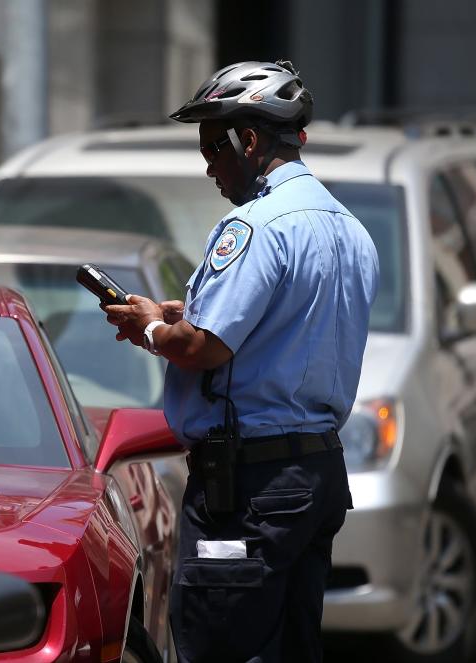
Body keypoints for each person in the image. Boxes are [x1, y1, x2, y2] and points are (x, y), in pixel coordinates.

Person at [103, 60, 379, 662]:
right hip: (315, 478)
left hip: (250, 488)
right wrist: (182, 315)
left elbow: (204, 350)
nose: (208, 166)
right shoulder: (351, 231)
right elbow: (285, 328)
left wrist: (151, 326)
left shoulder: (256, 226)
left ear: (249, 141)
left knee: (217, 644)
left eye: (213, 147)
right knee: (289, 648)